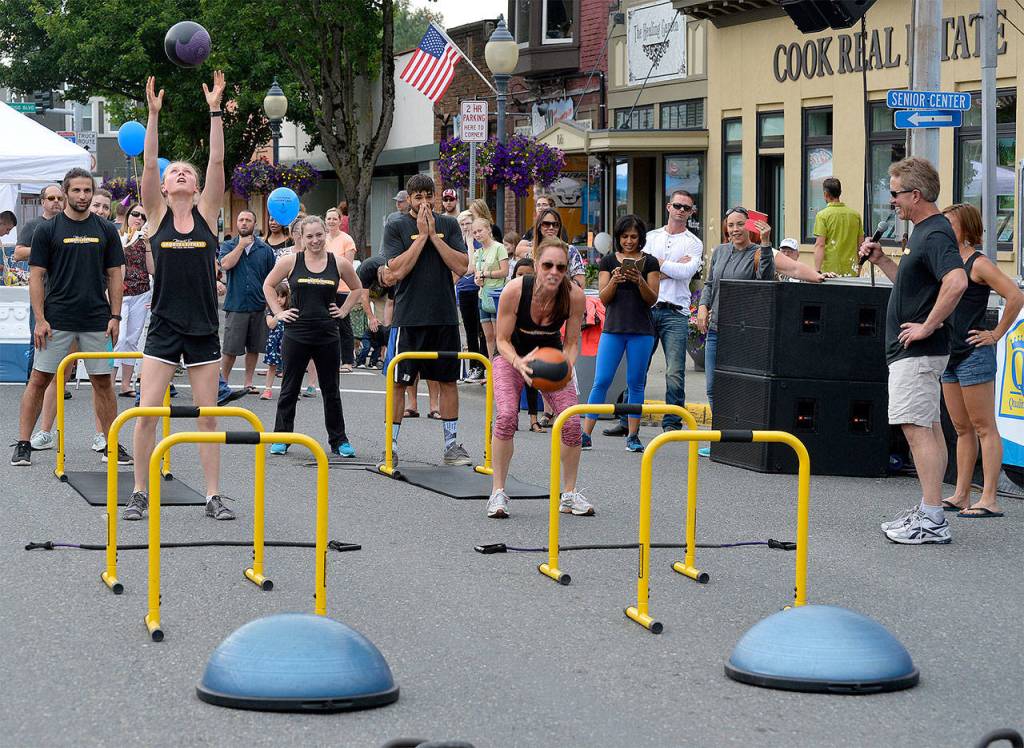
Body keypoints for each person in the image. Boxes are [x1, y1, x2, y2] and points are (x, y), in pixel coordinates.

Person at [124, 71, 235, 522]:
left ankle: (212, 496)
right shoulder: (154, 216)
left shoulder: (208, 212)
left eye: (185, 171)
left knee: (208, 417)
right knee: (148, 413)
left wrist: (214, 110)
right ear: (166, 188)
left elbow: (216, 164)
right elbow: (149, 164)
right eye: (175, 172)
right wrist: (153, 115)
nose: (182, 173)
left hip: (204, 326)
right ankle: (139, 493)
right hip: (165, 326)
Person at [862, 157, 968, 545]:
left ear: (916, 194)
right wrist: (883, 260)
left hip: (919, 351)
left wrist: (928, 324)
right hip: (918, 352)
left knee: (917, 430)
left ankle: (933, 519)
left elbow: (956, 281)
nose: (892, 201)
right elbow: (913, 289)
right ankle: (929, 509)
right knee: (929, 429)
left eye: (895, 194)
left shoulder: (935, 232)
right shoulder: (924, 232)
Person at [10, 167, 125, 468]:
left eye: (88, 190)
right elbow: (36, 277)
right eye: (76, 190)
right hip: (56, 319)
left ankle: (111, 444)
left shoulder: (106, 229)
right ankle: (24, 444)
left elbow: (115, 275)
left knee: (103, 383)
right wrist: (40, 318)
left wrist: (115, 315)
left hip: (96, 319)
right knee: (39, 380)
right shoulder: (47, 230)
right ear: (65, 193)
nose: (83, 196)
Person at [487, 237, 590, 518]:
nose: (554, 272)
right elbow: (502, 340)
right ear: (536, 265)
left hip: (551, 356)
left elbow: (571, 342)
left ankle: (568, 495)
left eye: (561, 267)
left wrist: (565, 367)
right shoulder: (515, 290)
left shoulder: (574, 295)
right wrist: (518, 362)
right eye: (548, 265)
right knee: (507, 415)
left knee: (571, 421)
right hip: (512, 356)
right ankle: (498, 493)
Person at [379, 173, 470, 465]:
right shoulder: (396, 224)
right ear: (409, 199)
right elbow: (396, 270)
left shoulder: (449, 224)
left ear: (435, 195)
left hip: (443, 315)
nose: (424, 202)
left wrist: (433, 236)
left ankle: (452, 445)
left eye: (428, 195)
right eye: (417, 197)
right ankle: (390, 445)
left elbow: (462, 265)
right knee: (399, 382)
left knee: (447, 380)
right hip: (409, 316)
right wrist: (420, 239)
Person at [939, 203, 1023, 518]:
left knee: (983, 426)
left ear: (966, 229)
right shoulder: (947, 261)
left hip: (974, 352)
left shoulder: (978, 263)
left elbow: (1015, 295)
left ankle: (989, 498)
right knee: (961, 428)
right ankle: (962, 493)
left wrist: (996, 334)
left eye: (950, 223)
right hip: (949, 352)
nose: (945, 229)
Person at [605, 190, 703, 438]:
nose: (681, 211)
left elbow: (687, 271)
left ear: (692, 213)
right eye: (677, 205)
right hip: (646, 309)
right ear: (668, 207)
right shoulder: (650, 236)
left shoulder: (694, 242)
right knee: (637, 370)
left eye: (687, 208)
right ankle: (627, 420)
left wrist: (656, 266)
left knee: (674, 371)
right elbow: (638, 263)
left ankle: (672, 424)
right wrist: (665, 268)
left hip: (675, 312)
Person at [263, 215, 361, 457]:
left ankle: (339, 441)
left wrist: (344, 310)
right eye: (309, 236)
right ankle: (281, 437)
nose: (315, 240)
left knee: (331, 390)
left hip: (327, 334)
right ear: (301, 237)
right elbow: (267, 285)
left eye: (319, 235)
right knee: (289, 388)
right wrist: (278, 312)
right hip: (296, 334)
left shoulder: (337, 263)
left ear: (325, 234)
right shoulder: (290, 261)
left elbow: (357, 287)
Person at [580, 215, 660, 453]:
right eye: (624, 237)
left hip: (641, 330)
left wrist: (639, 282)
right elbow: (603, 297)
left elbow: (652, 299)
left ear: (641, 238)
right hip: (613, 328)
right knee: (601, 381)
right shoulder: (607, 261)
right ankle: (586, 434)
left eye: (634, 237)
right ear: (618, 238)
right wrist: (614, 280)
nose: (629, 241)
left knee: (636, 383)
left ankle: (633, 436)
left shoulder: (651, 262)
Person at [696, 208, 777, 421]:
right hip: (715, 330)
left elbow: (766, 279)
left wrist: (767, 243)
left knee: (739, 388)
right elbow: (710, 284)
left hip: (743, 332)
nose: (735, 229)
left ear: (749, 225)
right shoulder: (720, 251)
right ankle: (720, 437)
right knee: (713, 388)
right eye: (731, 225)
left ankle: (737, 439)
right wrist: (703, 306)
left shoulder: (759, 252)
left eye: (740, 224)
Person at [218, 210, 275, 392]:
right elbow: (225, 265)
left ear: (254, 225)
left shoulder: (265, 250)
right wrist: (241, 247)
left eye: (248, 220)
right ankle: (223, 383)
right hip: (236, 305)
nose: (244, 223)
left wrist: (270, 304)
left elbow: (271, 278)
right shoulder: (228, 245)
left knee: (253, 347)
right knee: (230, 349)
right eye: (241, 220)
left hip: (258, 306)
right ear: (236, 223)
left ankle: (248, 382)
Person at [113, 202, 151, 396]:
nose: (139, 218)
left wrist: (149, 244)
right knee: (118, 338)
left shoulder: (145, 240)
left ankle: (126, 384)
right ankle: (109, 382)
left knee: (132, 339)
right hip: (120, 293)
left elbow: (153, 269)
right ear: (128, 215)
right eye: (135, 214)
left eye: (143, 217)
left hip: (141, 292)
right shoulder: (117, 237)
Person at [512, 257, 545, 433]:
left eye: (528, 275)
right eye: (519, 274)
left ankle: (534, 419)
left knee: (531, 381)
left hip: (532, 344)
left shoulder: (540, 297)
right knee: (512, 383)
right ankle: (512, 416)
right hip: (511, 345)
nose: (523, 278)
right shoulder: (509, 294)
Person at [455, 210, 487, 383]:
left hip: (478, 289)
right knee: (470, 331)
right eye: (462, 224)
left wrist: (469, 242)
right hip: (464, 290)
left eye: (468, 223)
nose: (466, 227)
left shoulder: (478, 242)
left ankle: (482, 365)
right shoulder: (457, 243)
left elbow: (471, 267)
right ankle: (474, 366)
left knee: (481, 330)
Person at [325, 207, 358, 372]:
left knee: (344, 325)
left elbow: (348, 267)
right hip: (324, 287)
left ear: (340, 221)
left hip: (343, 288)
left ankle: (347, 361)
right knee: (324, 324)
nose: (331, 221)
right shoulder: (322, 239)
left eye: (334, 218)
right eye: (328, 218)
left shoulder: (347, 240)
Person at [518, 208, 585, 288]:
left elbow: (580, 282)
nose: (551, 227)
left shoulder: (570, 251)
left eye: (556, 224)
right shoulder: (532, 251)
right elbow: (517, 250)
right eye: (546, 224)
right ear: (539, 226)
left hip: (563, 296)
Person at [472, 216, 509, 360]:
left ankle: (501, 366)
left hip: (497, 295)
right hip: (483, 295)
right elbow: (476, 274)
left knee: (498, 334)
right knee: (487, 335)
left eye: (480, 230)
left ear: (488, 229)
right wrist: (478, 280)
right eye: (474, 232)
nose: (477, 234)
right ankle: (491, 368)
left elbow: (504, 271)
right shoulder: (477, 253)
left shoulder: (499, 247)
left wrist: (487, 274)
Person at [813, 177, 863, 276]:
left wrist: (817, 271)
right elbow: (860, 246)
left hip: (830, 272)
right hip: (851, 270)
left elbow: (820, 245)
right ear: (840, 192)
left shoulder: (822, 215)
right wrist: (858, 269)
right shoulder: (855, 215)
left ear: (825, 194)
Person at [260, 281, 289, 400]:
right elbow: (270, 325)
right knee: (272, 366)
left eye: (282, 296)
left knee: (289, 367)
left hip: (287, 341)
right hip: (275, 341)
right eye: (276, 296)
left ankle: (289, 390)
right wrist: (278, 315)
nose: (279, 299)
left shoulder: (290, 309)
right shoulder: (270, 310)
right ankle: (267, 389)